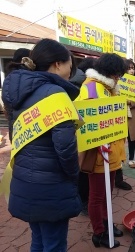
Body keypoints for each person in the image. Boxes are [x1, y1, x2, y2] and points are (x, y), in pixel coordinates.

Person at [1, 39, 81, 251]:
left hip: (24, 179)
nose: (69, 73)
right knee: (54, 243)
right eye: (69, 67)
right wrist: (74, 175)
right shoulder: (55, 95)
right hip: (51, 184)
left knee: (38, 238)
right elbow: (65, 147)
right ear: (57, 64)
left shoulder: (17, 91)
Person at [77, 53, 126, 248]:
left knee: (108, 191)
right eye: (118, 75)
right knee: (96, 196)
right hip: (99, 152)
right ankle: (98, 233)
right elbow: (86, 122)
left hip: (112, 151)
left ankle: (107, 223)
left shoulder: (109, 88)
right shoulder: (91, 87)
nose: (118, 78)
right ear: (110, 72)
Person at [69, 57, 97, 216]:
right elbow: (92, 106)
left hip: (73, 131)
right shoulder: (90, 85)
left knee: (79, 168)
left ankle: (81, 200)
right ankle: (84, 202)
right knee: (85, 168)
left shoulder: (73, 81)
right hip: (84, 132)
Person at [114, 59, 135, 190]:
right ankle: (120, 161)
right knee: (120, 139)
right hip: (121, 114)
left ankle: (131, 158)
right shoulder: (119, 82)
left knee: (132, 138)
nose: (131, 70)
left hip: (133, 114)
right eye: (129, 68)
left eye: (133, 68)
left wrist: (129, 102)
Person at [3, 48, 31, 142]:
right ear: (25, 59)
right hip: (27, 127)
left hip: (13, 127)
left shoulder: (9, 76)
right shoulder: (26, 76)